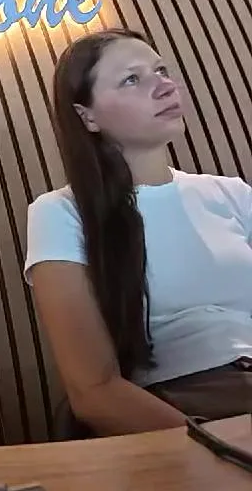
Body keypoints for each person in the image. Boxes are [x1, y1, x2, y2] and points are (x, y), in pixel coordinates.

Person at [25, 28, 252, 437]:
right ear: (87, 116)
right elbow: (94, 391)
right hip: (188, 406)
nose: (165, 85)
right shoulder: (61, 212)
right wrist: (216, 444)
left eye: (161, 70)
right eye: (132, 78)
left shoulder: (232, 193)